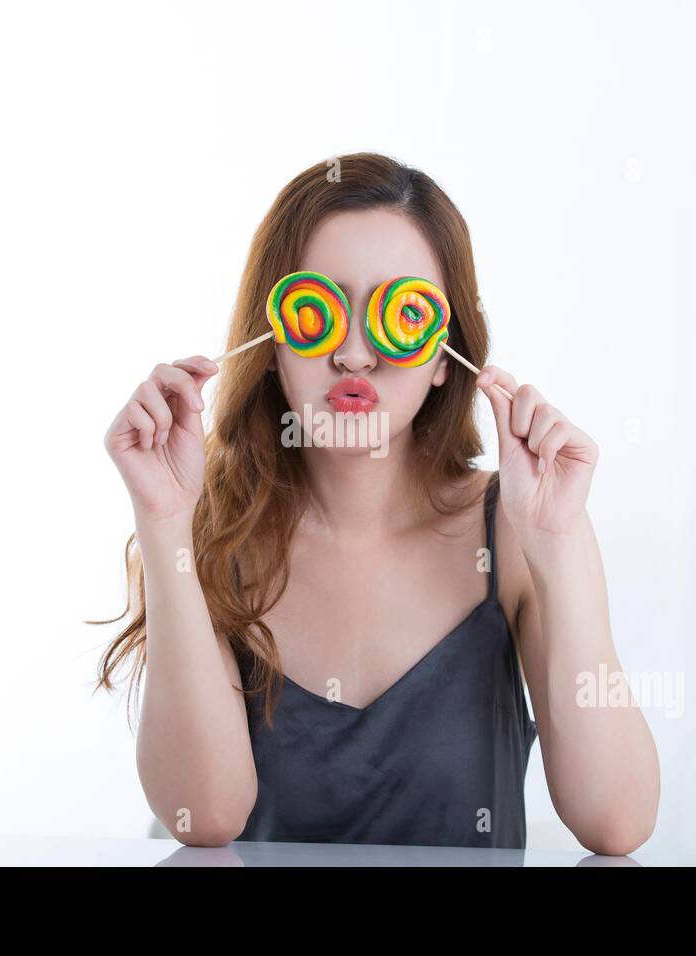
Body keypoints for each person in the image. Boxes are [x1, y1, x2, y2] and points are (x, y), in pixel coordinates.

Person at [95, 152, 659, 853]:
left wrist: (558, 541)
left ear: (440, 354)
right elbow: (201, 818)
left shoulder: (512, 532)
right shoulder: (212, 538)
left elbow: (618, 822)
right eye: (318, 312)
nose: (356, 353)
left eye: (400, 312)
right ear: (271, 344)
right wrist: (163, 521)